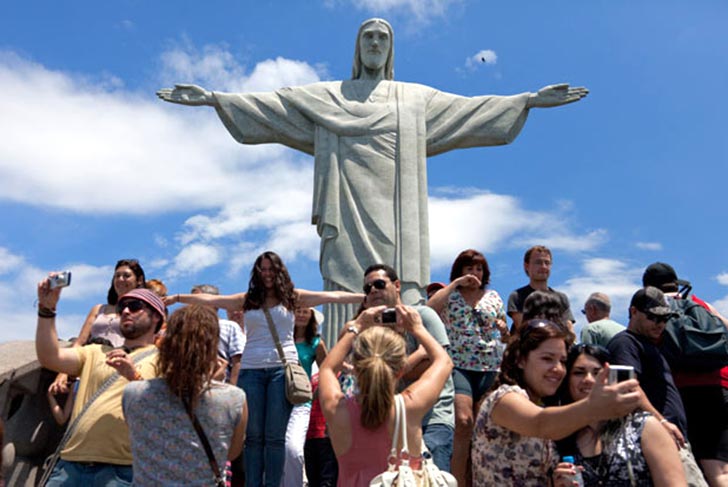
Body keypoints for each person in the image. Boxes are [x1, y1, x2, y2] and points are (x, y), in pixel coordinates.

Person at [157, 18, 588, 340]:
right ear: (358, 48)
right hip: (346, 204)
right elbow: (275, 107)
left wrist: (526, 101)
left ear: (391, 49)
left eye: (383, 38)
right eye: (368, 37)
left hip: (398, 209)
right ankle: (346, 353)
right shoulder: (330, 96)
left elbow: (470, 110)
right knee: (346, 283)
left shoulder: (413, 99)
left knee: (398, 281)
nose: (376, 43)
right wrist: (216, 98)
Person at [165, 251, 363, 487]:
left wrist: (364, 296)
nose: (267, 274)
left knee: (275, 438)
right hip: (251, 370)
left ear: (279, 271)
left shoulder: (293, 298)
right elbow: (212, 301)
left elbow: (332, 296)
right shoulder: (248, 299)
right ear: (257, 273)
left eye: (271, 269)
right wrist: (177, 297)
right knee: (254, 438)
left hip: (282, 371)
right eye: (263, 269)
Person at [471, 318, 641, 486]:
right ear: (520, 360)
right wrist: (594, 406)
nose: (558, 369)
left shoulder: (543, 408)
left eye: (562, 361)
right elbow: (540, 423)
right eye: (547, 359)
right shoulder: (504, 398)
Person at [36, 281, 164, 486]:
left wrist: (135, 377)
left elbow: (166, 408)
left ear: (157, 316)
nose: (126, 311)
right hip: (69, 465)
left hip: (122, 470)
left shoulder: (165, 360)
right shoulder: (95, 352)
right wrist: (47, 310)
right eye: (123, 307)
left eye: (136, 306)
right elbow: (50, 357)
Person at [318, 304, 453, 486]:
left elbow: (327, 367)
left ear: (356, 368)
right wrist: (418, 328)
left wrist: (356, 327)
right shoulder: (410, 406)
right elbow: (444, 362)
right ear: (400, 370)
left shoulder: (337, 409)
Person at [122, 304, 248, 485]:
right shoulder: (234, 398)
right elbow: (232, 452)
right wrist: (216, 383)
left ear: (166, 343)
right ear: (212, 346)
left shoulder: (133, 393)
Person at [607, 286, 708, 487]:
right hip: (658, 436)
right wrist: (662, 423)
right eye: (653, 317)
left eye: (664, 319)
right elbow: (627, 388)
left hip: (671, 436)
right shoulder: (625, 343)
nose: (660, 324)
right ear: (633, 311)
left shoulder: (651, 345)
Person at [426, 249, 508, 485]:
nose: (475, 273)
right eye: (469, 268)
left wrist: (504, 330)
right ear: (460, 271)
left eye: (479, 268)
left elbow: (506, 336)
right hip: (459, 364)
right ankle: (458, 482)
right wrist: (456, 284)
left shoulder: (493, 297)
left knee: (484, 427)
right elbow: (429, 310)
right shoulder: (450, 295)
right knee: (463, 422)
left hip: (490, 365)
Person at [642, 262, 728, 486]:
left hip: (683, 393)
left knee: (697, 467)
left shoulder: (655, 310)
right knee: (721, 469)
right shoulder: (701, 305)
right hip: (721, 388)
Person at [363, 263, 455, 472]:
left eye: (378, 284)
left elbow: (440, 363)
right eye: (367, 289)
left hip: (433, 419)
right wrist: (419, 355)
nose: (373, 291)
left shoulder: (423, 315)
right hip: (393, 423)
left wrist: (393, 370)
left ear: (397, 285)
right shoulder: (372, 330)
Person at [552, 344, 685, 486]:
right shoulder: (559, 434)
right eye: (579, 372)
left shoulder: (644, 427)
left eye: (598, 373)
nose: (589, 379)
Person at [50, 259, 146, 394]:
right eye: (117, 276)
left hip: (118, 371)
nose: (120, 279)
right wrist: (63, 372)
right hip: (89, 367)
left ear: (139, 280)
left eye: (126, 275)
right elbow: (80, 342)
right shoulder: (98, 309)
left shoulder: (144, 312)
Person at [281, 307, 328, 487]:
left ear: (311, 317)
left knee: (293, 450)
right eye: (297, 311)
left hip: (301, 402)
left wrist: (315, 393)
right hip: (276, 400)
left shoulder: (316, 343)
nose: (300, 315)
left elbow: (328, 370)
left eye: (305, 312)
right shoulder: (279, 339)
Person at [507, 245, 575, 332]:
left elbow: (569, 330)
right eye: (538, 262)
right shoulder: (517, 296)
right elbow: (523, 328)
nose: (543, 267)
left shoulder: (561, 298)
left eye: (547, 263)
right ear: (526, 266)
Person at [191, 284, 246, 384]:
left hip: (222, 389)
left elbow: (238, 361)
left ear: (214, 302)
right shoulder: (187, 330)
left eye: (197, 300)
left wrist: (233, 389)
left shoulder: (229, 327)